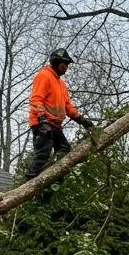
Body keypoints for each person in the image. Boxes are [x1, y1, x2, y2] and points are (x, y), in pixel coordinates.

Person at [25, 48, 94, 179]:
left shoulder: (61, 84)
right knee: (43, 153)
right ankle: (30, 180)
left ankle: (53, 179)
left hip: (55, 124)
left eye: (67, 64)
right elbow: (36, 99)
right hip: (42, 122)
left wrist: (81, 120)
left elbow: (67, 106)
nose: (66, 67)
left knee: (64, 150)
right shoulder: (44, 75)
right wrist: (41, 118)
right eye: (64, 64)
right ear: (56, 62)